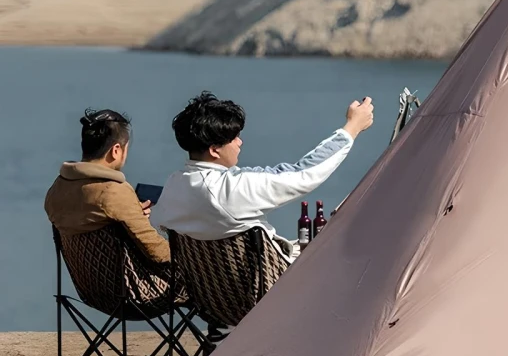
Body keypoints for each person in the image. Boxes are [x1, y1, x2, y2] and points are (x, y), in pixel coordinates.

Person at [156, 91, 374, 262]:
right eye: (234, 138)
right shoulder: (230, 189)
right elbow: (304, 174)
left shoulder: (174, 186)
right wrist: (351, 128)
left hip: (209, 299)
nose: (240, 143)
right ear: (214, 150)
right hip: (264, 295)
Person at [44, 109, 170, 265]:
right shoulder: (114, 192)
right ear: (116, 151)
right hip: (130, 287)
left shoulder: (56, 191)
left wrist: (132, 213)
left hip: (87, 285)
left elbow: (94, 215)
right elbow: (159, 253)